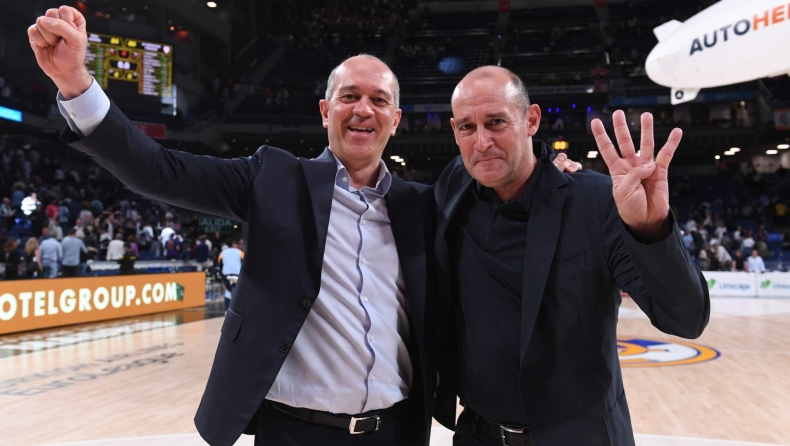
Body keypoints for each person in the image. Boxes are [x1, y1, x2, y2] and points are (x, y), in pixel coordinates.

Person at [29, 8, 581, 445]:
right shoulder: (273, 179)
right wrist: (76, 82)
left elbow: (499, 195)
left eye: (379, 100)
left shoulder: (423, 205)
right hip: (293, 432)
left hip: (398, 431)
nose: (363, 109)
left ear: (395, 120)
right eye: (349, 96)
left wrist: (548, 178)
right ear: (324, 110)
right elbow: (159, 170)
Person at [431, 67, 710, 446]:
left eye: (496, 122)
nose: (482, 142)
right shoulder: (454, 186)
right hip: (478, 435)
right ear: (455, 131)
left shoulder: (596, 203)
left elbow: (687, 319)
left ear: (531, 120)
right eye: (467, 127)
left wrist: (652, 228)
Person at [218, 239, 244, 310]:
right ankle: (238, 309)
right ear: (234, 244)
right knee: (238, 291)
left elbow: (220, 264)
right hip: (237, 274)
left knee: (228, 290)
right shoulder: (240, 252)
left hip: (226, 274)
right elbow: (244, 263)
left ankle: (227, 309)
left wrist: (222, 273)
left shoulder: (223, 253)